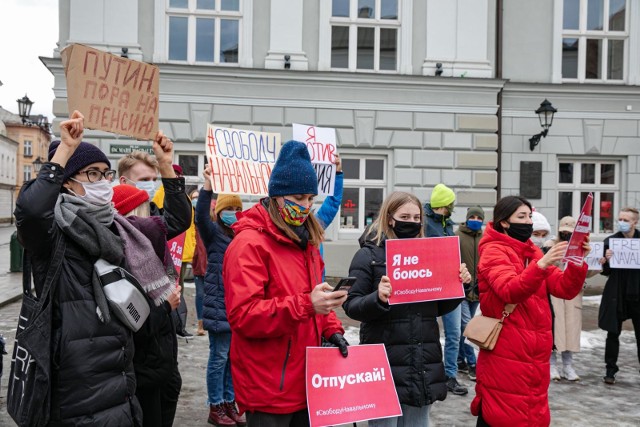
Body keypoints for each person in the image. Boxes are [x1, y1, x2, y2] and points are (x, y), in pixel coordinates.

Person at [14, 110, 191, 425]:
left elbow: (176, 221)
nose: (103, 182)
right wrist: (65, 149)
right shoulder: (53, 233)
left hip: (121, 380)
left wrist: (166, 164)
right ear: (67, 181)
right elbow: (29, 211)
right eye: (92, 173)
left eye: (105, 173)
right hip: (75, 390)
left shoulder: (119, 227)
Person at [223, 140, 349, 426]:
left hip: (307, 381)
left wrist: (333, 330)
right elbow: (243, 316)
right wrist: (306, 304)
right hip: (268, 386)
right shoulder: (249, 244)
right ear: (277, 196)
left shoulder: (307, 240)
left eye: (310, 199)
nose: (305, 206)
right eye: (299, 197)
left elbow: (317, 300)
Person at [344, 190, 470, 426]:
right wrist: (378, 298)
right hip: (384, 361)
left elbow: (438, 306)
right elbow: (351, 305)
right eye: (405, 216)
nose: (412, 222)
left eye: (416, 218)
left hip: (422, 359)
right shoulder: (368, 255)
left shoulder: (429, 255)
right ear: (390, 217)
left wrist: (458, 285)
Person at [471, 196, 590, 427]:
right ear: (504, 222)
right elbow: (509, 291)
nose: (528, 222)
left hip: (535, 352)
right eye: (521, 217)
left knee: (530, 412)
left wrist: (577, 260)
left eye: (529, 217)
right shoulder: (494, 250)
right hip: (507, 349)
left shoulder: (532, 252)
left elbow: (563, 288)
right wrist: (542, 265)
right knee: (504, 414)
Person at [112, 184, 185, 427]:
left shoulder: (147, 246)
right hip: (144, 370)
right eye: (144, 209)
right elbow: (134, 323)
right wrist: (166, 306)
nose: (150, 216)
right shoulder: (126, 256)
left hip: (159, 364)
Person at [196, 166, 246, 426]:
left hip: (237, 308)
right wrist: (208, 185)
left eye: (237, 209)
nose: (233, 213)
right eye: (229, 209)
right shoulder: (213, 232)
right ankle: (215, 406)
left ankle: (229, 401)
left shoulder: (242, 234)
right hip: (218, 306)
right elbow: (200, 217)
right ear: (219, 212)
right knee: (219, 358)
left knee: (232, 360)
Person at [424, 183, 467, 395]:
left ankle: (450, 375)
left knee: (455, 333)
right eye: (451, 204)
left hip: (451, 284)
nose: (452, 207)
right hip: (430, 286)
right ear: (444, 205)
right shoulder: (423, 223)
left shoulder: (448, 224)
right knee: (428, 331)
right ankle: (429, 374)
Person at [547, 216, 600, 382]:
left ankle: (568, 365)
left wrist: (598, 263)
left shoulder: (581, 247)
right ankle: (552, 364)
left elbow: (585, 271)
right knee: (554, 331)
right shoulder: (550, 246)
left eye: (569, 232)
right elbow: (547, 268)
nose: (566, 235)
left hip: (573, 297)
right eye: (564, 231)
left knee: (570, 331)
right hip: (555, 296)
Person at [599, 207, 640, 385]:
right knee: (613, 333)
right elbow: (606, 271)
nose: (621, 222)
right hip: (617, 294)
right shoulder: (610, 241)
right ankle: (610, 370)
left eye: (625, 219)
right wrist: (605, 260)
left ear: (634, 222)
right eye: (620, 219)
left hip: (637, 294)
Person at [456, 206, 485, 382]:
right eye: (472, 217)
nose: (475, 220)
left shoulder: (484, 238)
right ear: (467, 218)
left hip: (478, 290)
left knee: (463, 328)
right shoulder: (458, 237)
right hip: (462, 289)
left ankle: (460, 360)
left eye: (478, 217)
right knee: (468, 326)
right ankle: (473, 364)